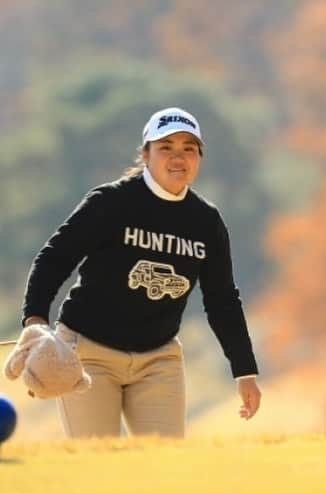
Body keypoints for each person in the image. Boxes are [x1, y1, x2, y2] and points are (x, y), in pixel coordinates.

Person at [21, 107, 262, 438]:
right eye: (166, 147)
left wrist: (244, 370)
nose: (178, 157)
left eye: (188, 148)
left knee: (164, 472)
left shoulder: (207, 222)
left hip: (158, 359)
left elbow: (222, 300)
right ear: (145, 154)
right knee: (98, 470)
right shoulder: (111, 202)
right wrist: (35, 321)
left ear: (199, 158)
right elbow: (55, 258)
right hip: (89, 353)